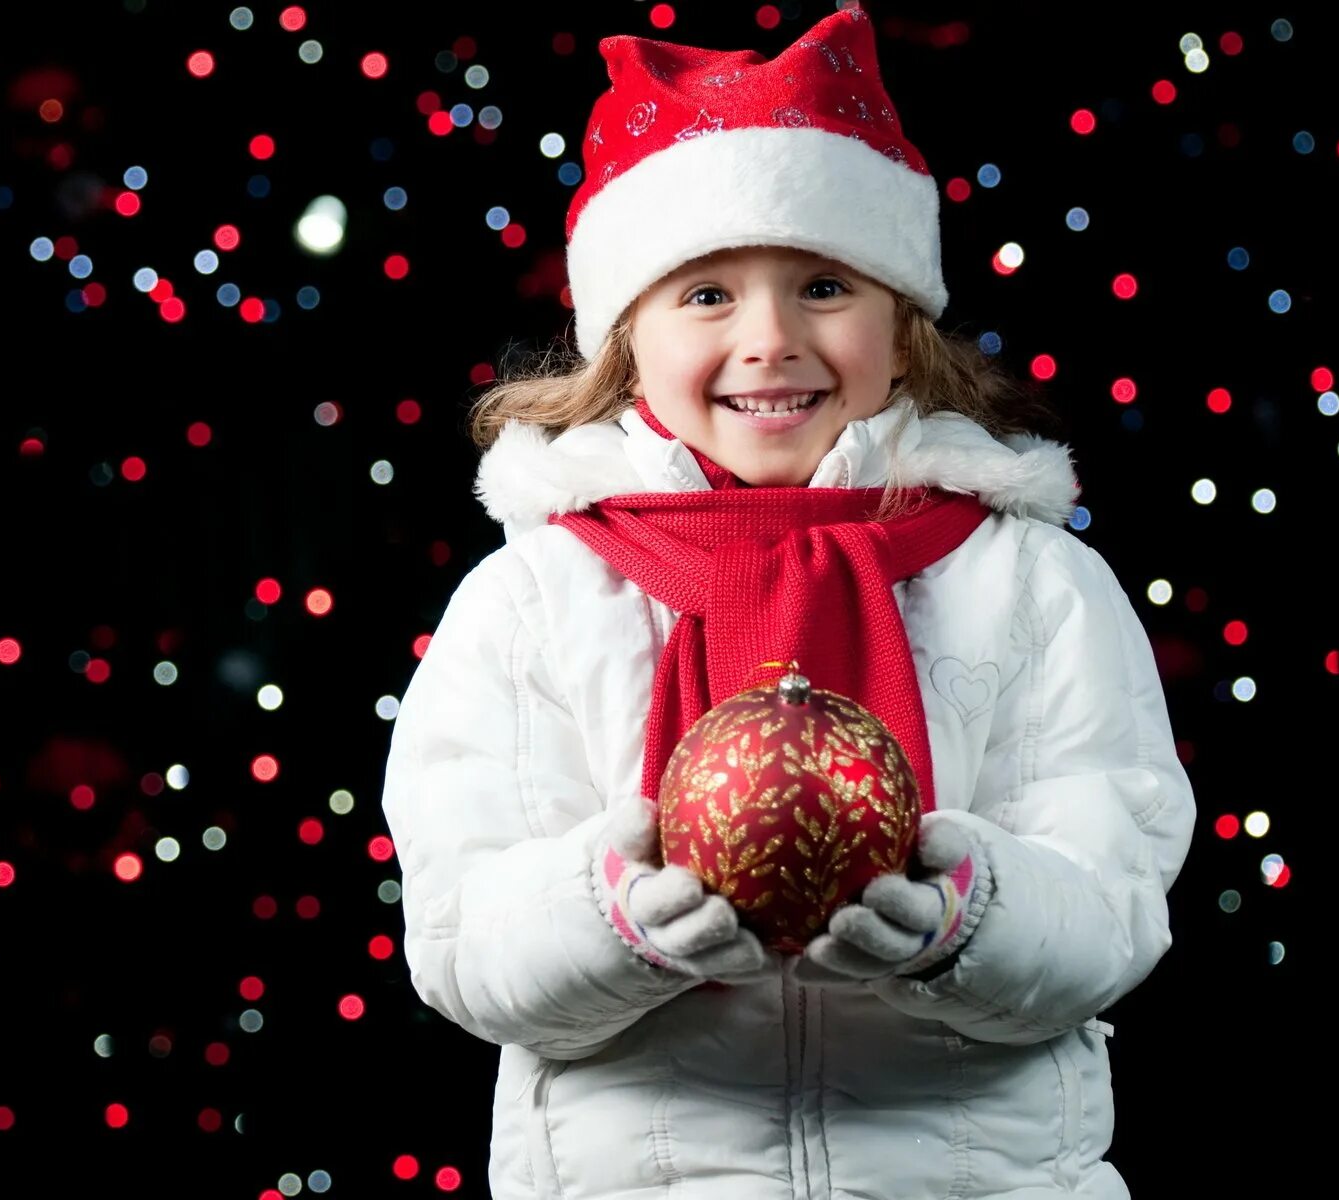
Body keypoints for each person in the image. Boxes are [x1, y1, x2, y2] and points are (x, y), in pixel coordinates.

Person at [379, 9, 1195, 1199]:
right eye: (705, 295)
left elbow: (1114, 905)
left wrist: (962, 914)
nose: (770, 340)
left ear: (904, 329)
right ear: (625, 341)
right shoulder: (536, 599)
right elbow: (464, 942)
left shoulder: (1031, 581)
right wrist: (623, 914)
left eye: (823, 285)